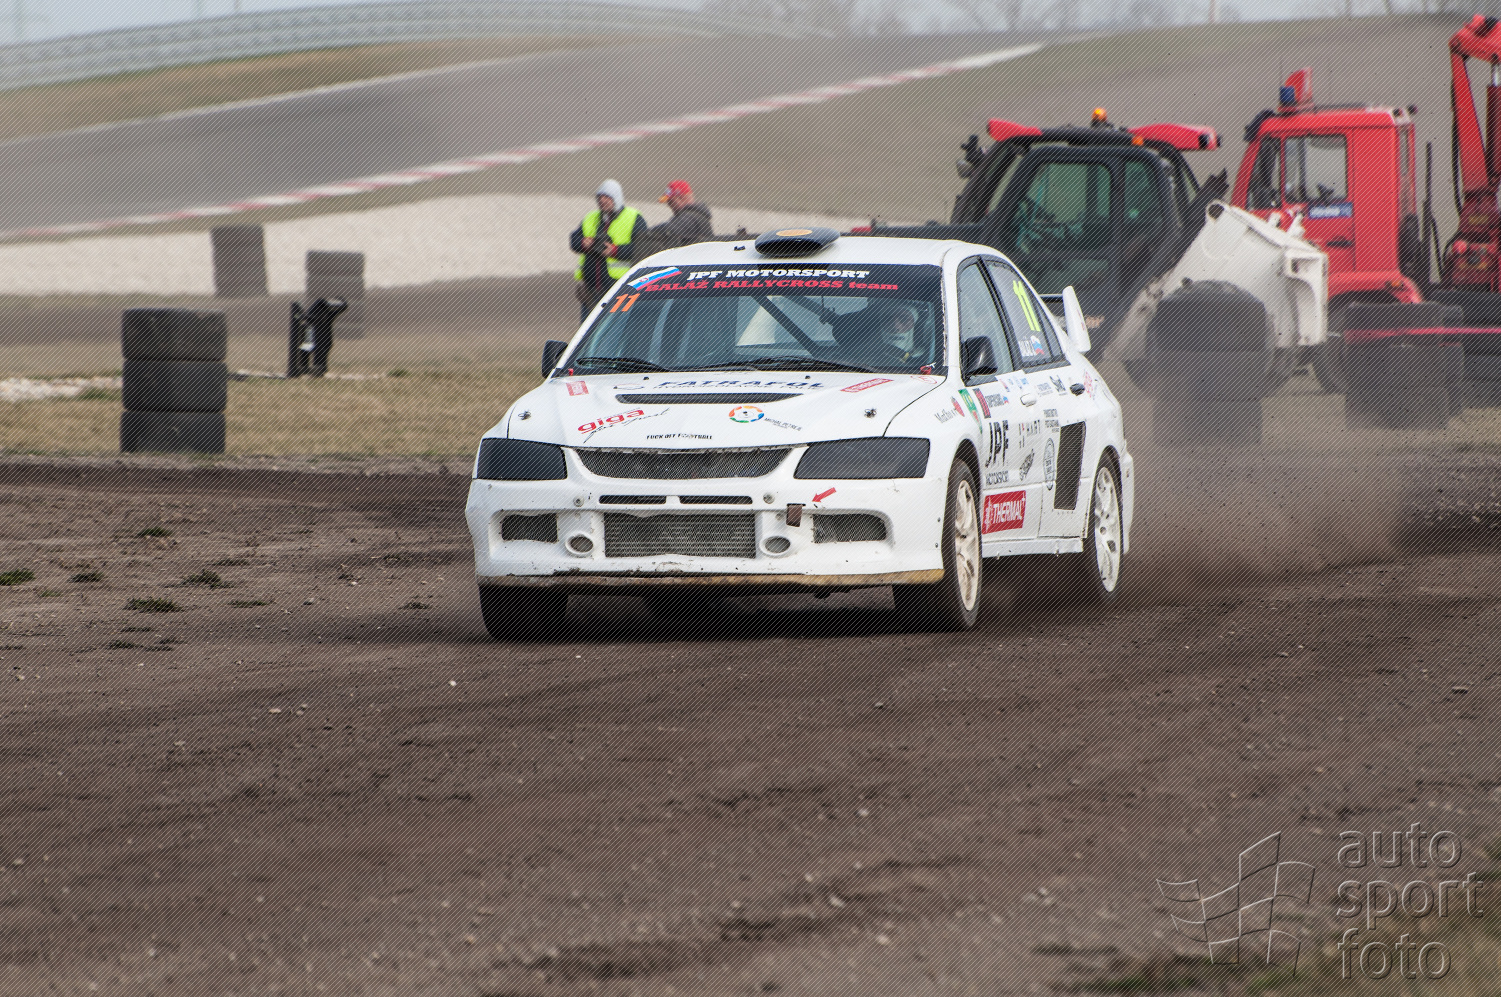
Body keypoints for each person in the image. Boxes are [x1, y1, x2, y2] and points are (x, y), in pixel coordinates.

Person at [570, 179, 647, 321]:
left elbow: (643, 248)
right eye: (599, 197)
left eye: (607, 197)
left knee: (615, 326)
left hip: (619, 288)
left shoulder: (633, 218)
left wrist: (615, 251)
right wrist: (583, 243)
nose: (602, 200)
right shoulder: (591, 217)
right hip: (590, 289)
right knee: (588, 329)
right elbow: (574, 240)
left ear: (616, 198)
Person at [831, 300, 922, 368]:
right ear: (879, 322)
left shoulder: (925, 360)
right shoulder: (854, 356)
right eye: (888, 318)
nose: (896, 326)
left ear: (915, 323)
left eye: (904, 319)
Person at [637, 180, 714, 256]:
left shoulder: (691, 217)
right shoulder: (695, 215)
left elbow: (669, 229)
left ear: (680, 198)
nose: (669, 205)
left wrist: (644, 233)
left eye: (670, 201)